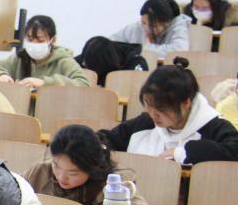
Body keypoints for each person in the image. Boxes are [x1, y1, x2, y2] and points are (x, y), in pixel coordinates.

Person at [99, 59, 238, 164]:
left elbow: (234, 149)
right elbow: (106, 139)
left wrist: (185, 153)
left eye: (161, 109)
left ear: (186, 103)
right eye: (149, 106)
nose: (153, 114)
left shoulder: (213, 127)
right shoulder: (145, 122)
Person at [24, 124, 146, 205]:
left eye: (73, 173)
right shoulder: (40, 171)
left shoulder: (115, 182)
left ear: (92, 168)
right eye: (56, 166)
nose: (61, 177)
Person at [0, 15, 89, 88]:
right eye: (30, 39)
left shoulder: (63, 61)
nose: (34, 44)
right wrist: (0, 75)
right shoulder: (20, 57)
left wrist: (45, 83)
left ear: (53, 40)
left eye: (40, 40)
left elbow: (83, 84)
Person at [109, 0, 189, 58]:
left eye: (152, 26)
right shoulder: (137, 27)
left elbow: (180, 51)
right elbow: (110, 44)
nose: (146, 28)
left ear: (166, 24)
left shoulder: (178, 27)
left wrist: (145, 48)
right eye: (143, 23)